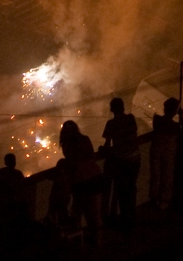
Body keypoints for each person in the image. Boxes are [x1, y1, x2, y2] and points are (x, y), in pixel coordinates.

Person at [100, 98, 140, 232]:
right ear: (123, 107)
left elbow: (107, 145)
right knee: (131, 188)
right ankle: (132, 216)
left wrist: (103, 150)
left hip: (122, 161)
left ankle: (124, 221)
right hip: (135, 158)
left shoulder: (111, 124)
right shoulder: (131, 118)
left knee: (122, 191)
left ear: (112, 109)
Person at [60, 120, 103, 244]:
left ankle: (85, 242)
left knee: (83, 213)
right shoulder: (85, 139)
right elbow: (91, 156)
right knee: (96, 214)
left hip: (82, 182)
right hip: (95, 177)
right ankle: (99, 242)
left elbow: (71, 164)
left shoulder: (67, 145)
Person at [150, 97, 181, 210]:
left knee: (156, 175)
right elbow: (180, 131)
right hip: (168, 152)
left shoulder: (157, 119)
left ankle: (154, 199)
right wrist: (180, 115)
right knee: (167, 176)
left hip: (156, 150)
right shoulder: (175, 126)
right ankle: (163, 200)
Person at [0, 153, 27, 226]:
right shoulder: (16, 174)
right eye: (12, 160)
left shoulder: (1, 173)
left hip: (8, 205)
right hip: (9, 205)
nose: (14, 162)